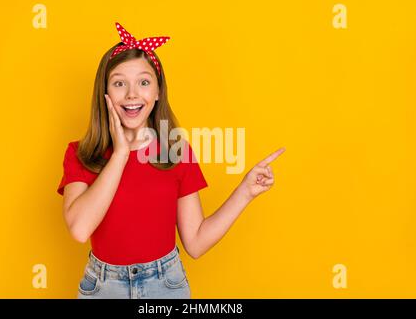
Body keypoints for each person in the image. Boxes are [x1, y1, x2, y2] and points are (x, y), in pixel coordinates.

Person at [57, 22, 285, 299]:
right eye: (119, 83)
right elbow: (80, 229)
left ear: (157, 92)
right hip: (104, 287)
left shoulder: (176, 152)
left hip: (165, 285)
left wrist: (245, 192)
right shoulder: (81, 154)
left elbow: (197, 242)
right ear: (104, 94)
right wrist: (120, 154)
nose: (132, 94)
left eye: (144, 82)